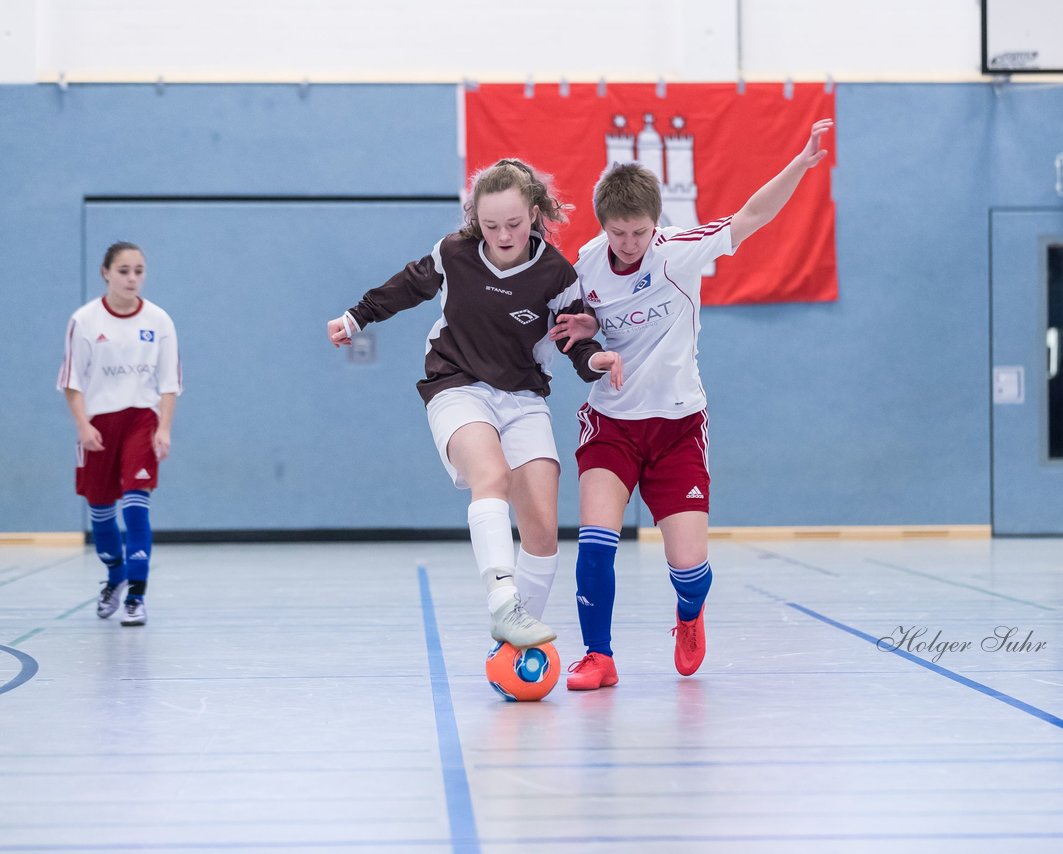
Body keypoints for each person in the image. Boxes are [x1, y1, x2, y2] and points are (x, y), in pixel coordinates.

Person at [550, 118, 835, 689]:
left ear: (656, 225)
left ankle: (688, 613)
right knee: (596, 542)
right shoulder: (583, 265)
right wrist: (586, 334)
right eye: (618, 233)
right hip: (611, 423)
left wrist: (799, 167)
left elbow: (751, 215)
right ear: (603, 226)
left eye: (639, 232)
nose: (629, 244)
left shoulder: (678, 253)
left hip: (678, 427)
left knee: (689, 570)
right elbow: (573, 339)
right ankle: (598, 657)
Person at [327, 158, 620, 649]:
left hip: (523, 396)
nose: (502, 235)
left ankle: (515, 643)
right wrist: (356, 318)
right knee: (491, 478)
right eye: (490, 225)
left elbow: (575, 341)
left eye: (513, 223)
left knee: (543, 531)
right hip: (455, 384)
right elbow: (405, 287)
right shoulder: (455, 253)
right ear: (474, 221)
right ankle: (503, 602)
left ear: (533, 214)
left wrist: (595, 361)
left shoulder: (555, 273)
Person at [57, 242, 182, 627]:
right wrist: (83, 425)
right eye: (124, 270)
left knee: (136, 503)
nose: (132, 278)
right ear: (105, 272)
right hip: (98, 423)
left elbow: (169, 382)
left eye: (139, 271)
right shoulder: (85, 320)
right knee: (101, 512)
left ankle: (137, 596)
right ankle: (114, 576)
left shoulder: (159, 320)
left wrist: (163, 427)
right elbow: (72, 381)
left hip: (141, 420)